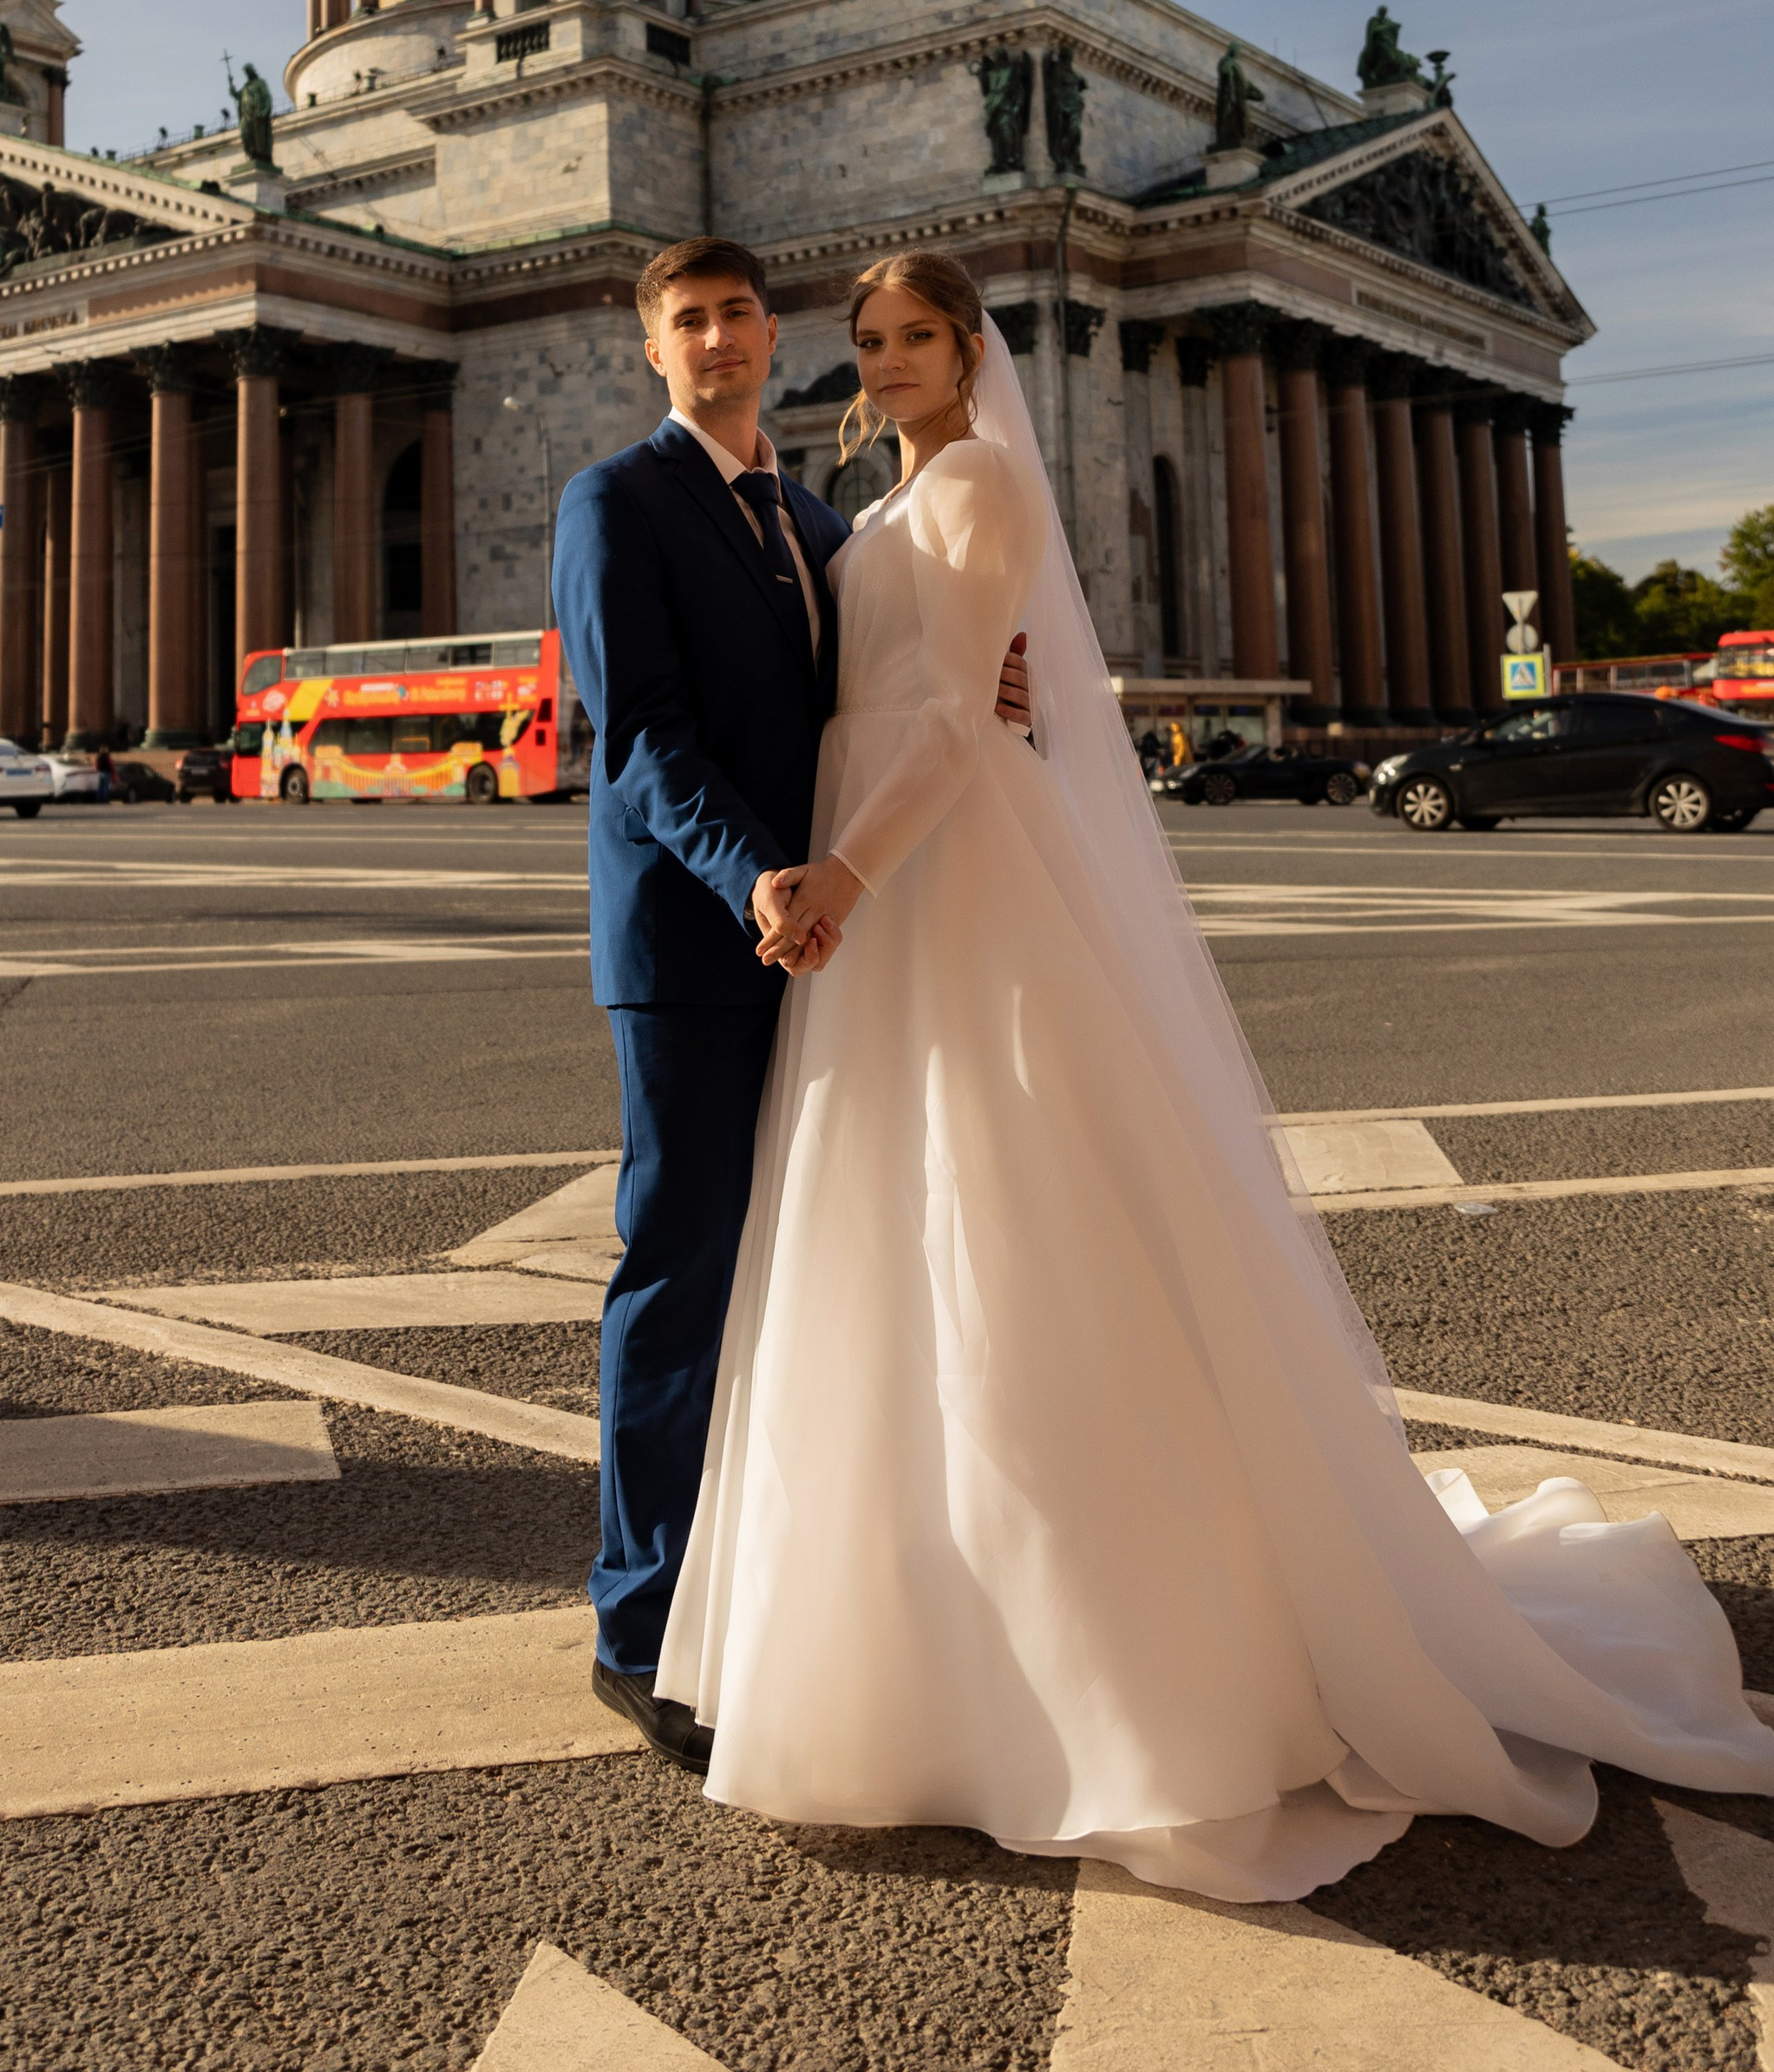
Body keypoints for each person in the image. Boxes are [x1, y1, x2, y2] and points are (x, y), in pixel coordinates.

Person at [657, 248, 1774, 1900]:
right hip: (899, 891)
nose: (881, 362)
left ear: (974, 354)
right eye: (868, 340)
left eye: (913, 340)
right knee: (905, 1232)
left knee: (1010, 1219)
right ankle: (938, 1637)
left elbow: (960, 723)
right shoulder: (868, 511)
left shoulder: (967, 491)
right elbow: (915, 681)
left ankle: (1091, 1658)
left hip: (934, 881)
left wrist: (844, 875)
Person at [551, 237, 1028, 1773]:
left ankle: (762, 1591)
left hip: (824, 945)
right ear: (653, 349)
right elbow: (638, 738)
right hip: (705, 943)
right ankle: (640, 1626)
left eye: (740, 313)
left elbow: (894, 679)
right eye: (686, 320)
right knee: (681, 1266)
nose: (718, 339)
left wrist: (995, 676)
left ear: (770, 334)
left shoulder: (823, 518)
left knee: (808, 1266)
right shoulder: (617, 500)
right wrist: (760, 876)